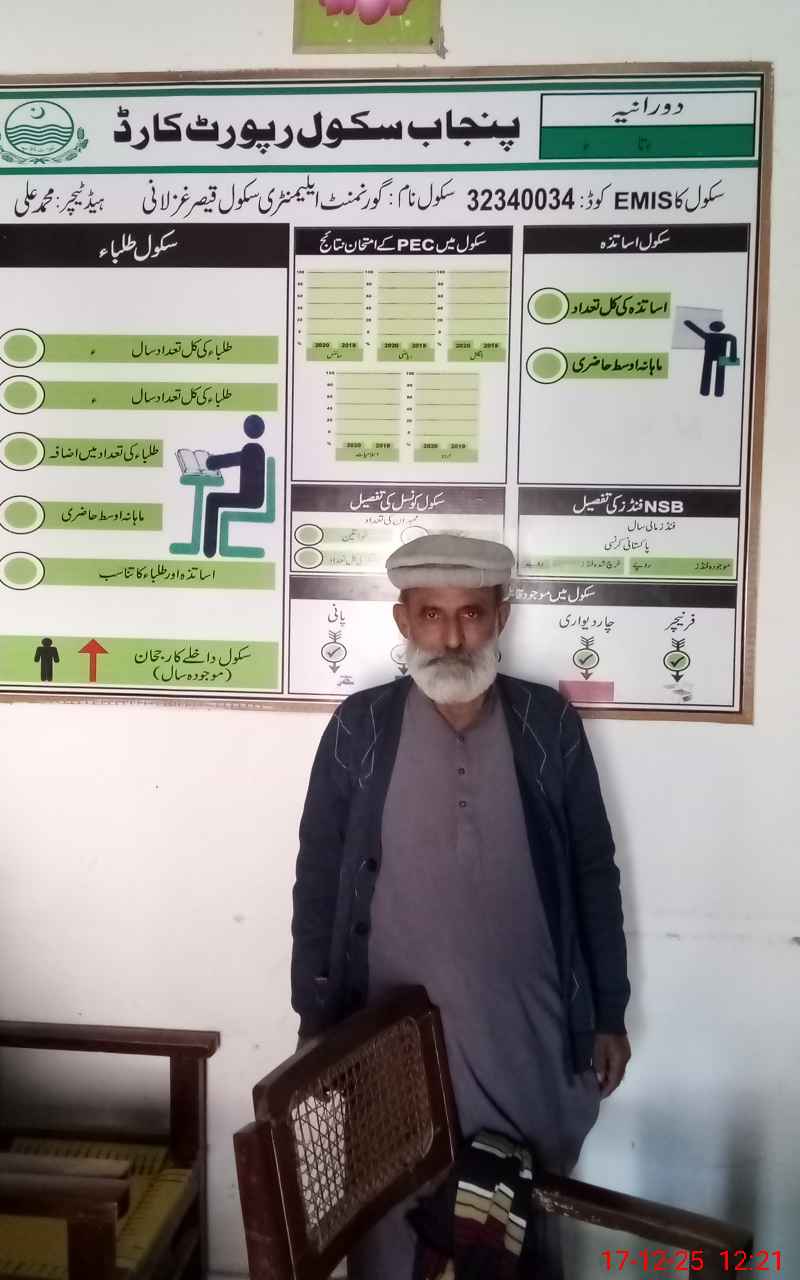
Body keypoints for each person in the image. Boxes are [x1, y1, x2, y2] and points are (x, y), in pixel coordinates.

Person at [291, 534, 631, 1279]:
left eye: (471, 614)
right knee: (387, 1218)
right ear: (403, 620)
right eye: (432, 614)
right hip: (388, 1043)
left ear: (501, 617)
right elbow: (318, 876)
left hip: (526, 1038)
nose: (451, 637)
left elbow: (592, 871)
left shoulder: (548, 724)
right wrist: (315, 1018)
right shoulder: (359, 726)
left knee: (518, 1223)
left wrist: (608, 1011)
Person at [202, 414, 266, 557]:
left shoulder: (250, 450)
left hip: (249, 499)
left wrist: (210, 461)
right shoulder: (259, 450)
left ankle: (209, 549)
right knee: (213, 499)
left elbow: (224, 461)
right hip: (253, 498)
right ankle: (209, 549)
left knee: (212, 499)